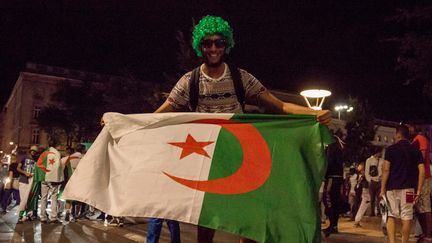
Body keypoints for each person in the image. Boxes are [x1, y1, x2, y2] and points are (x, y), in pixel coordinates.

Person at [153, 15, 331, 243]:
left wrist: (314, 113)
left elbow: (281, 105)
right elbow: (163, 110)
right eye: (207, 43)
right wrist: (123, 123)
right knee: (207, 221)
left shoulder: (241, 78)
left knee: (250, 219)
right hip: (208, 160)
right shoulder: (191, 81)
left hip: (242, 155)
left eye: (219, 42)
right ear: (200, 46)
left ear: (227, 44)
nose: (214, 48)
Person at [380, 125, 425, 243]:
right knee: (407, 216)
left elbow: (386, 170)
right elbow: (422, 171)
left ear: (398, 135)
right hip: (409, 189)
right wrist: (419, 190)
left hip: (391, 188)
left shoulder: (390, 149)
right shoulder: (415, 150)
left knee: (391, 214)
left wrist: (382, 188)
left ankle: (392, 242)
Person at [409, 125, 432, 242]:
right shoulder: (415, 140)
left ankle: (428, 235)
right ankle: (425, 233)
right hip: (418, 177)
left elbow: (421, 158)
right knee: (419, 207)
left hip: (424, 177)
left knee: (425, 206)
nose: (408, 129)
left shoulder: (421, 139)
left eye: (409, 126)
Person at [37, 144, 66, 223]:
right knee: (54, 197)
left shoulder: (44, 153)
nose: (60, 147)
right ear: (57, 146)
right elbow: (58, 167)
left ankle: (42, 217)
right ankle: (53, 217)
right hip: (53, 178)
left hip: (44, 178)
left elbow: (38, 165)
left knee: (43, 198)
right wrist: (59, 178)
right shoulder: (56, 153)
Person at [322, 135, 345, 237]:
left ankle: (331, 225)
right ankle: (334, 225)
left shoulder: (331, 148)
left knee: (327, 200)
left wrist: (324, 174)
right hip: (338, 178)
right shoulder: (340, 150)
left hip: (332, 178)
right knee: (335, 202)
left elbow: (329, 163)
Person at [16, 145, 38, 223]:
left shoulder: (36, 159)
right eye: (32, 150)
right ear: (30, 150)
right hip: (23, 180)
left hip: (32, 181)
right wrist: (25, 173)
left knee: (29, 198)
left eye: (35, 151)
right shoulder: (24, 157)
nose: (33, 152)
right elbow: (18, 168)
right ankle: (21, 215)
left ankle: (28, 214)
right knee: (24, 199)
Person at [365, 146, 383, 217]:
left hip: (379, 181)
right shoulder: (369, 160)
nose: (380, 153)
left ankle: (379, 212)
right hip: (372, 181)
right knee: (372, 198)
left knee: (379, 198)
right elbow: (367, 171)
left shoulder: (382, 160)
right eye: (379, 152)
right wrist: (369, 180)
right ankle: (372, 212)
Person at [353, 162, 370, 227]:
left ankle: (357, 220)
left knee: (362, 206)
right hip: (365, 191)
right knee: (363, 206)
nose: (362, 172)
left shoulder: (362, 176)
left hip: (364, 191)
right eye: (361, 171)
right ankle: (357, 221)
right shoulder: (363, 176)